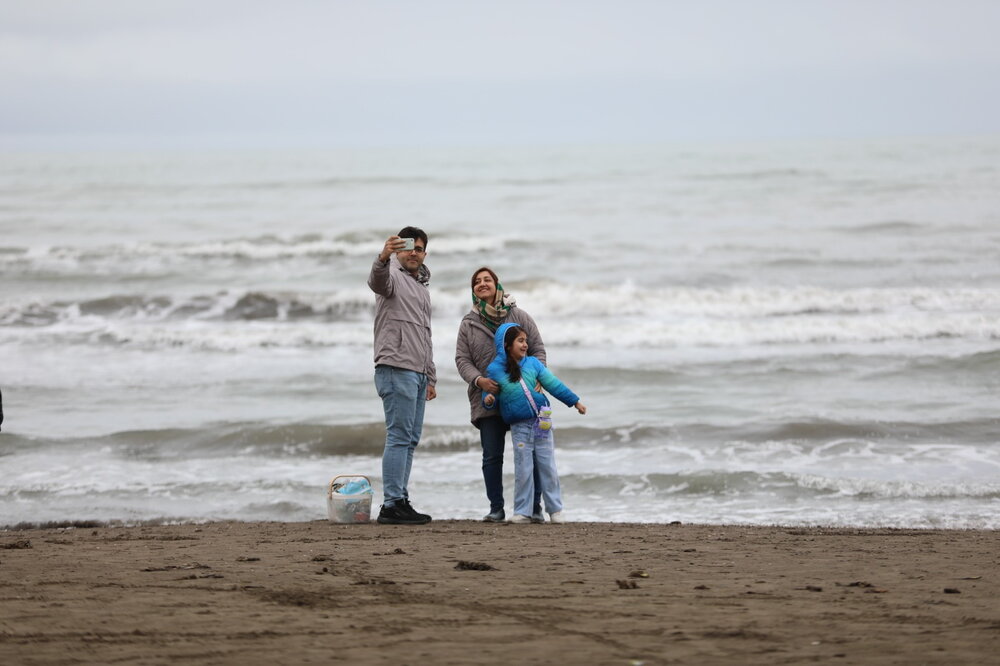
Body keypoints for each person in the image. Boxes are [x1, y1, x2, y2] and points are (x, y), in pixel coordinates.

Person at [455, 267, 546, 523]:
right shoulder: (468, 324)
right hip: (488, 397)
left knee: (529, 453)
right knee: (492, 455)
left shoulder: (519, 315)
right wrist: (480, 380)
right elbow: (462, 359)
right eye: (477, 281)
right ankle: (496, 508)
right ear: (473, 289)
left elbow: (538, 349)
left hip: (523, 395)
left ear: (497, 285)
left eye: (487, 280)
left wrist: (535, 377)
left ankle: (533, 507)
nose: (482, 284)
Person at [482, 323, 586, 524]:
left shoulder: (533, 364)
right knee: (523, 468)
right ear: (506, 345)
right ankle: (522, 511)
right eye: (520, 341)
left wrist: (574, 402)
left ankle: (556, 510)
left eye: (526, 341)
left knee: (547, 465)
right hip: (519, 427)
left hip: (542, 422)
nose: (525, 345)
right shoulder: (495, 369)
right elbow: (489, 393)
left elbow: (554, 384)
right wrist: (488, 400)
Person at [367, 227, 436, 525]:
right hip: (396, 366)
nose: (414, 252)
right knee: (398, 436)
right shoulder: (391, 276)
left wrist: (430, 375)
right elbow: (376, 280)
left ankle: (400, 499)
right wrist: (383, 256)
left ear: (424, 253)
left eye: (419, 248)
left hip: (417, 371)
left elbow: (425, 334)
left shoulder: (420, 287)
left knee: (410, 439)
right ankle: (392, 504)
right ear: (397, 250)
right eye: (408, 247)